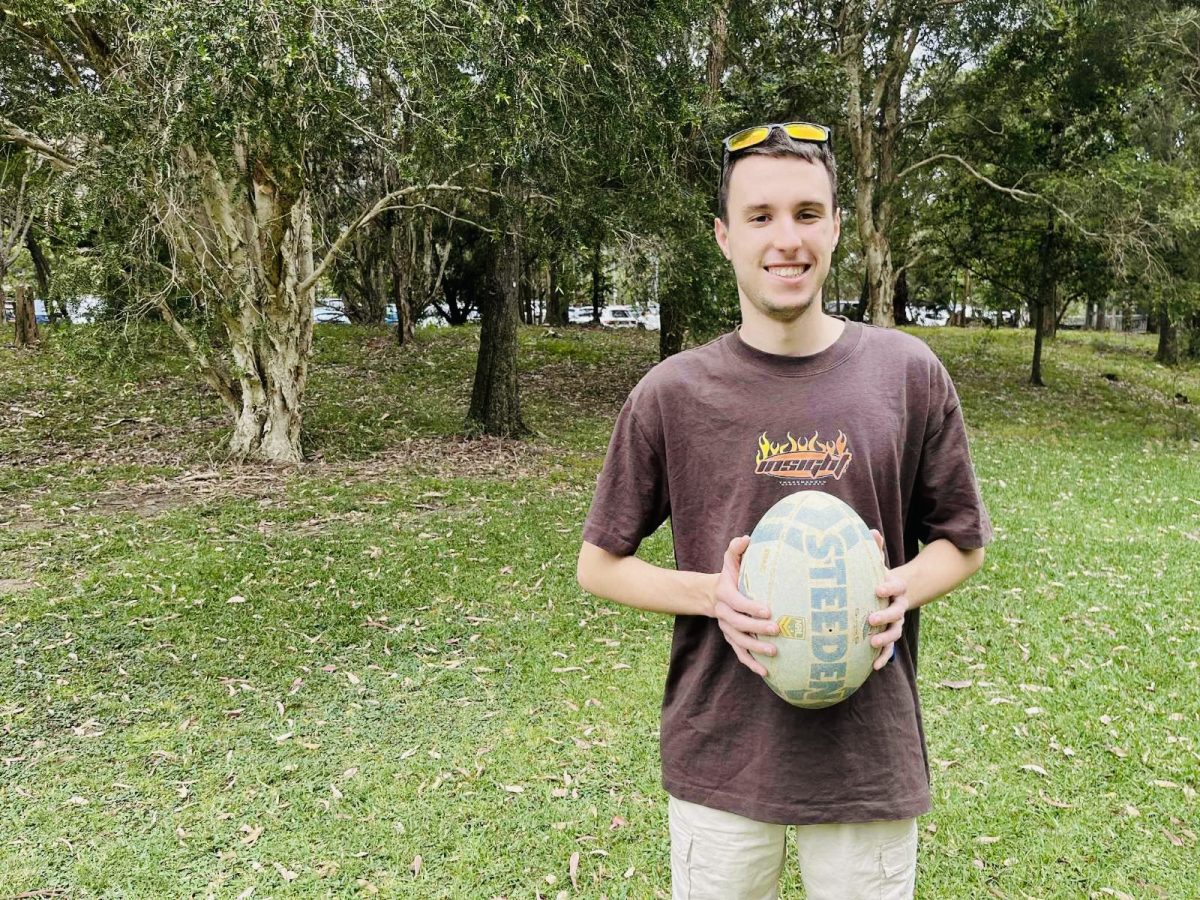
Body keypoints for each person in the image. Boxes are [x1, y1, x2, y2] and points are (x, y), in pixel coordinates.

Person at [575, 122, 993, 900]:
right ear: (724, 236)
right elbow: (599, 564)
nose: (786, 239)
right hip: (725, 751)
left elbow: (962, 543)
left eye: (807, 213)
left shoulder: (907, 374)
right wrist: (714, 597)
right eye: (760, 216)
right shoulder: (672, 393)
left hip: (867, 756)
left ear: (838, 227)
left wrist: (897, 586)